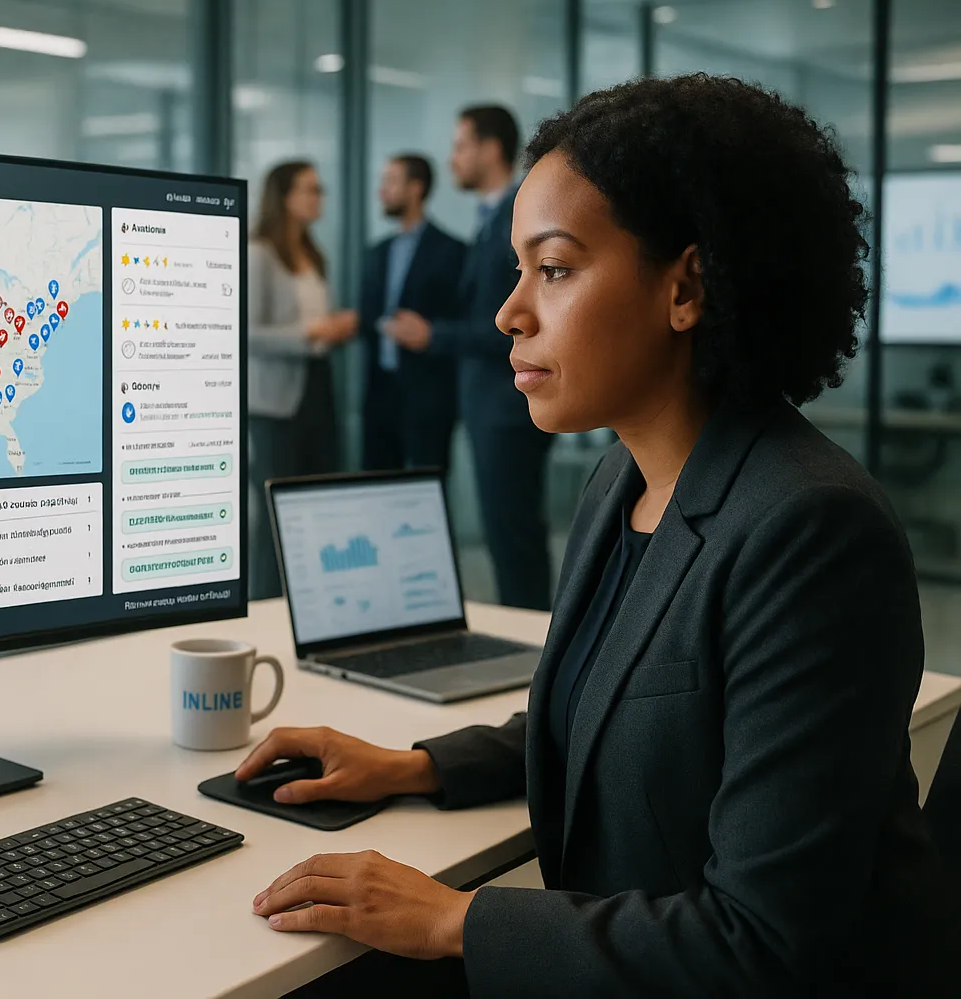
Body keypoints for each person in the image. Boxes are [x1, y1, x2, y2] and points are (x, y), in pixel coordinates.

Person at [239, 75, 958, 995]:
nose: (511, 312)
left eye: (556, 268)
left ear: (687, 287)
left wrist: (454, 917)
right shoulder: (622, 478)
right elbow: (614, 709)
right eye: (516, 269)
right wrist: (413, 766)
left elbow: (764, 942)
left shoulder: (810, 530)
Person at [385, 105, 552, 610]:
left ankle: (532, 660)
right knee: (509, 539)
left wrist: (433, 335)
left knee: (513, 541)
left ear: (490, 149)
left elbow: (510, 324)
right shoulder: (489, 220)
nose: (452, 158)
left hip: (507, 404)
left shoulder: (514, 220)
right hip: (488, 404)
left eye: (461, 145)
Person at [247, 161, 356, 599]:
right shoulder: (259, 254)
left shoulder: (312, 255)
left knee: (317, 501)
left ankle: (310, 602)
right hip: (274, 402)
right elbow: (247, 332)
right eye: (310, 189)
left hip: (317, 386)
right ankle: (266, 605)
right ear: (285, 197)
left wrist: (333, 330)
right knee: (277, 514)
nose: (319, 198)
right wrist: (314, 332)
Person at [358, 155, 466, 471]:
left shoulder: (453, 251)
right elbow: (368, 317)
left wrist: (427, 333)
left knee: (428, 484)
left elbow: (462, 322)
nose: (382, 191)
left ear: (416, 188)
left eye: (391, 181)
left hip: (429, 396)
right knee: (375, 483)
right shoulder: (377, 252)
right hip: (379, 394)